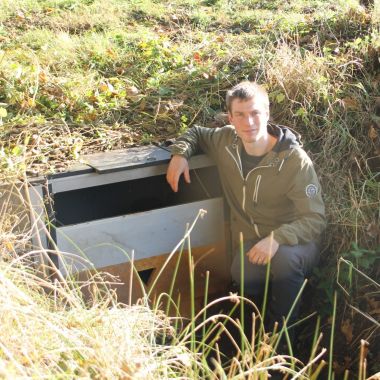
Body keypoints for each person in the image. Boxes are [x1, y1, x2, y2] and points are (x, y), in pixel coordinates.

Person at [166, 81, 326, 334]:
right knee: (242, 270)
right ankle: (252, 334)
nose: (248, 122)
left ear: (267, 114)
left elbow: (315, 219)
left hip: (294, 243)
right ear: (230, 117)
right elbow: (196, 132)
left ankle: (283, 342)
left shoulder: (293, 160)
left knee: (284, 261)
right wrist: (180, 154)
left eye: (255, 113)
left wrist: (277, 238)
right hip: (252, 243)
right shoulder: (226, 141)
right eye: (240, 115)